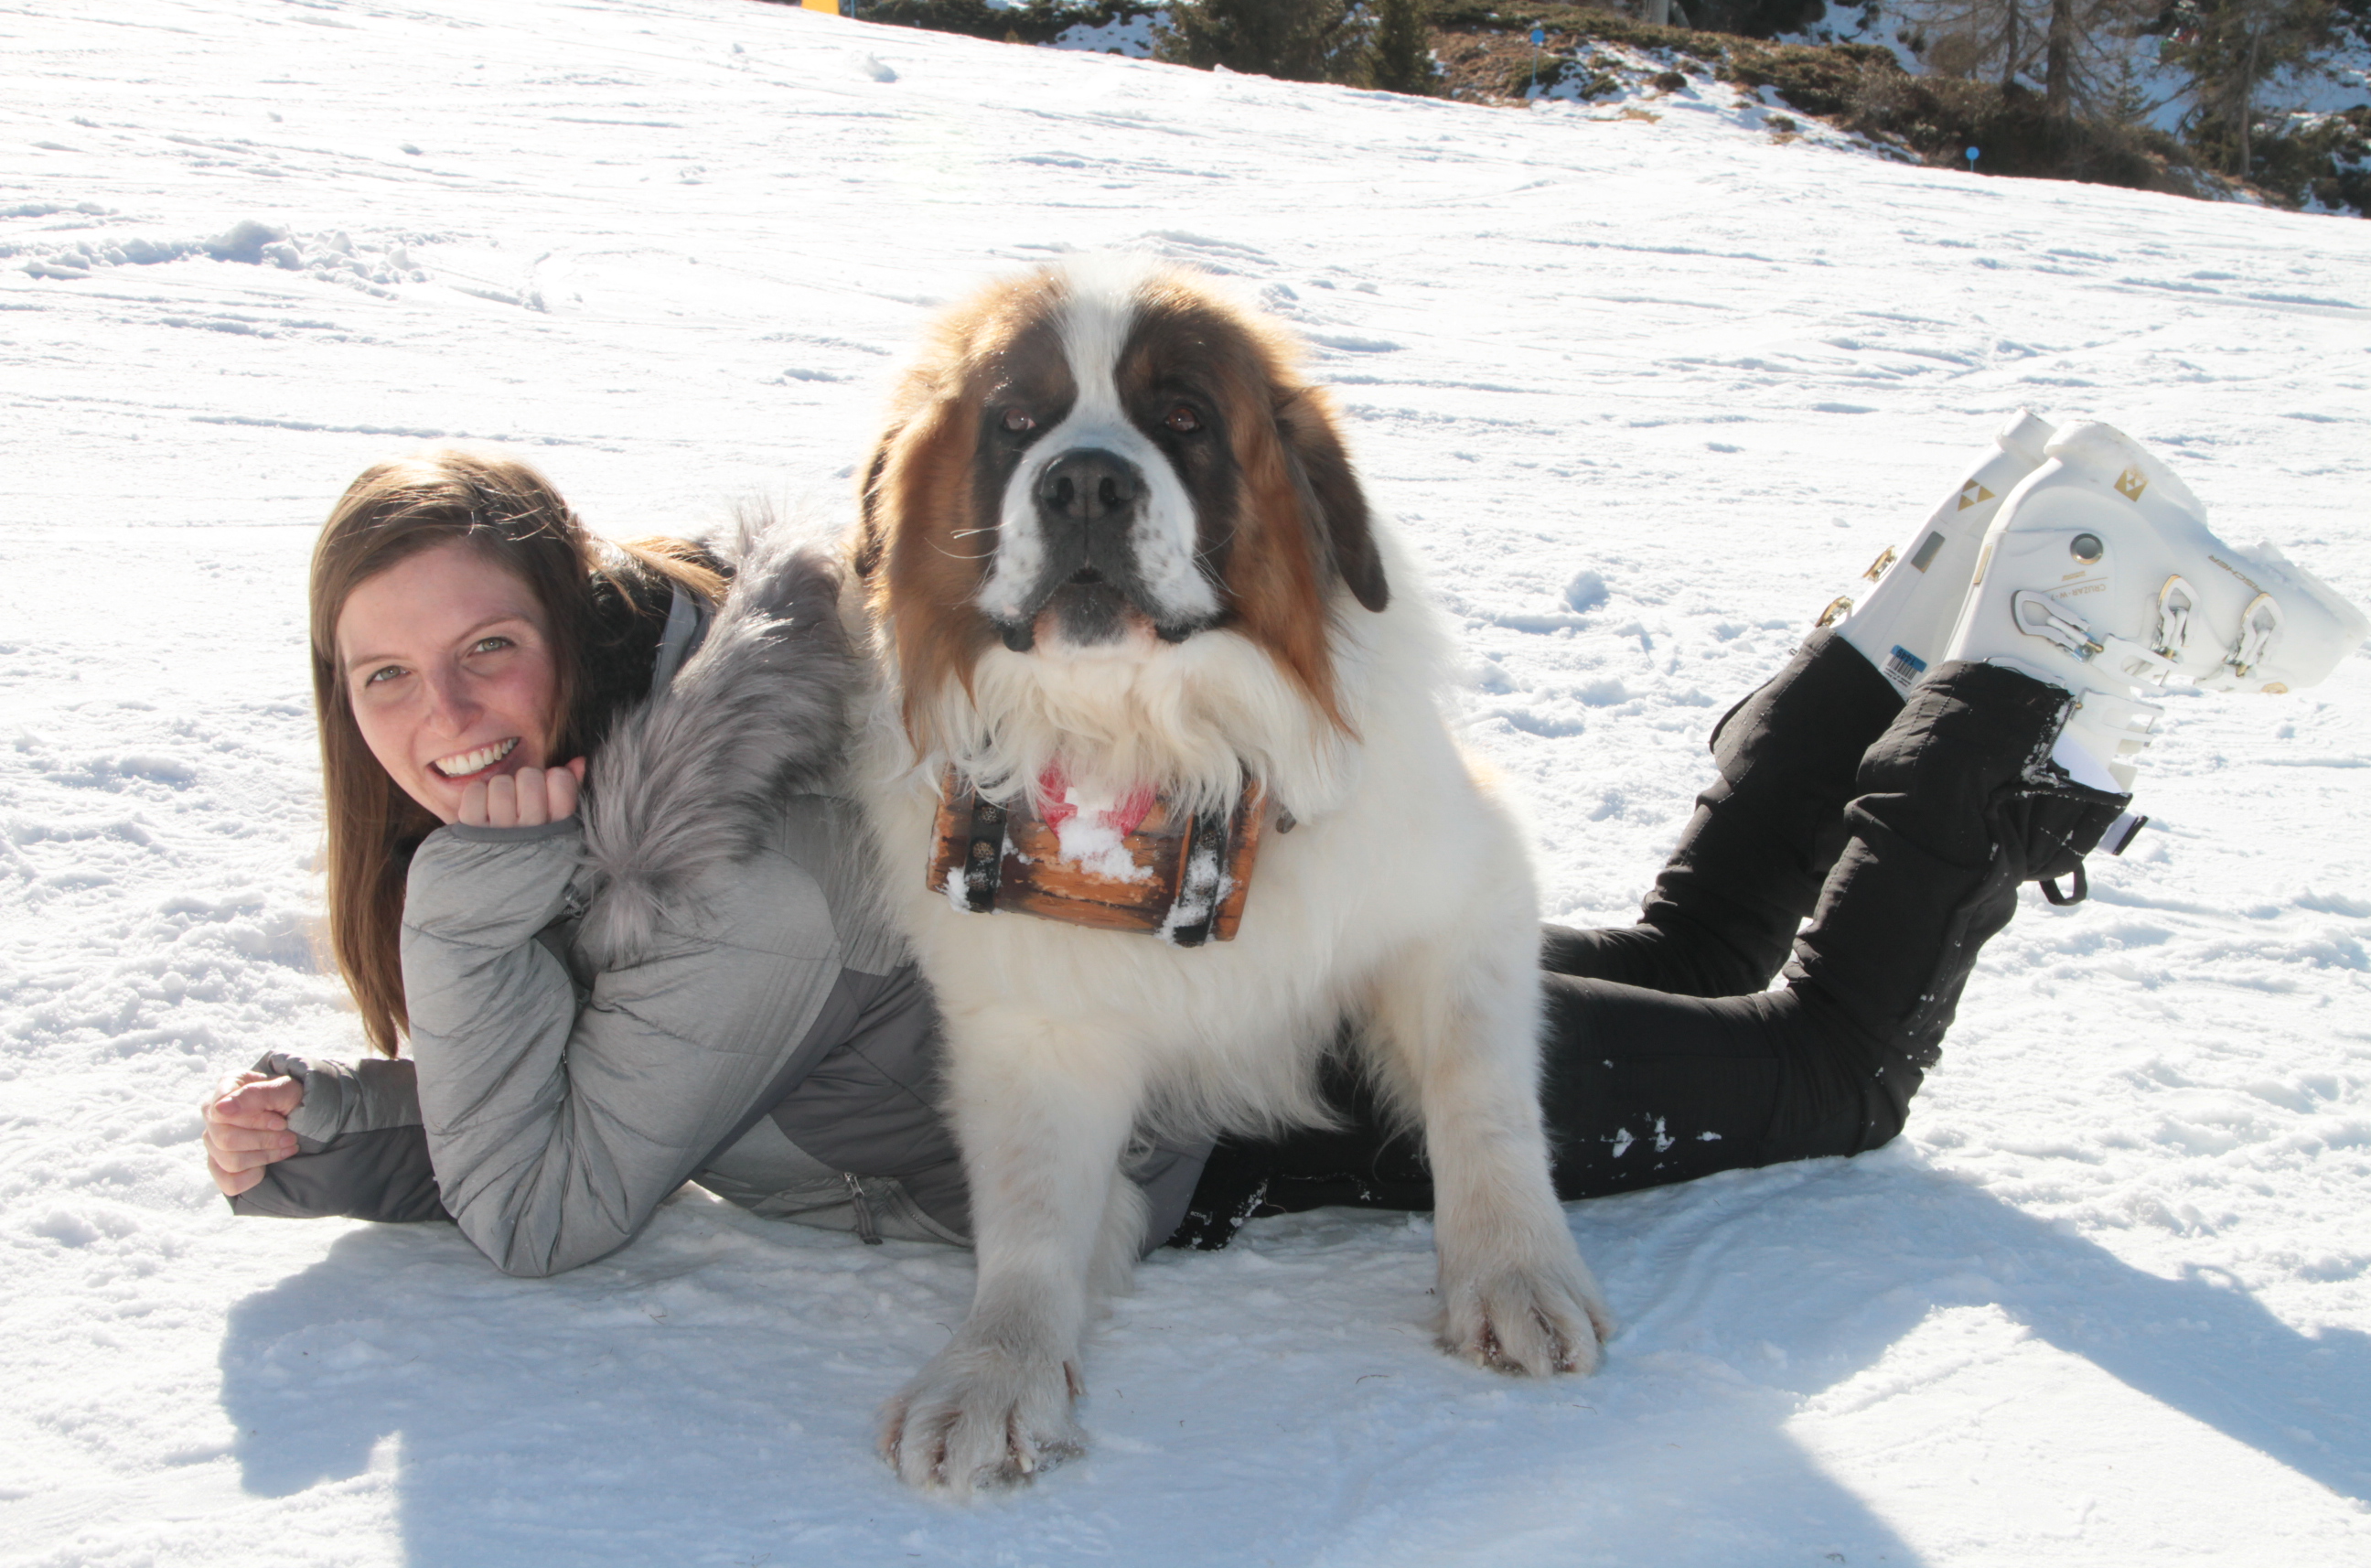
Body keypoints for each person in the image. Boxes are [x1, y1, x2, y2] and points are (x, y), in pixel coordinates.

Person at [206, 422, 2362, 1273]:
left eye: (479, 651)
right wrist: (348, 1131)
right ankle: (1921, 618)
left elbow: (562, 1201)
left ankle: (2031, 653)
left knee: (1818, 1076)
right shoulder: (683, 729)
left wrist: (468, 911)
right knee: (1695, 953)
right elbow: (607, 1083)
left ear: (568, 623)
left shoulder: (718, 876)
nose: (438, 721)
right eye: (382, 683)